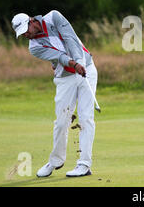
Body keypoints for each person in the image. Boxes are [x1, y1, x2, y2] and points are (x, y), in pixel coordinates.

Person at [11, 10, 98, 178]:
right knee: (61, 121)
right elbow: (60, 56)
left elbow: (70, 38)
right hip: (65, 78)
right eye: (22, 34)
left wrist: (80, 63)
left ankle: (84, 164)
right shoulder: (34, 48)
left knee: (86, 117)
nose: (26, 35)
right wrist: (73, 64)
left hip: (87, 69)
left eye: (26, 30)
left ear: (31, 21)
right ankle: (56, 161)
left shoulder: (54, 17)